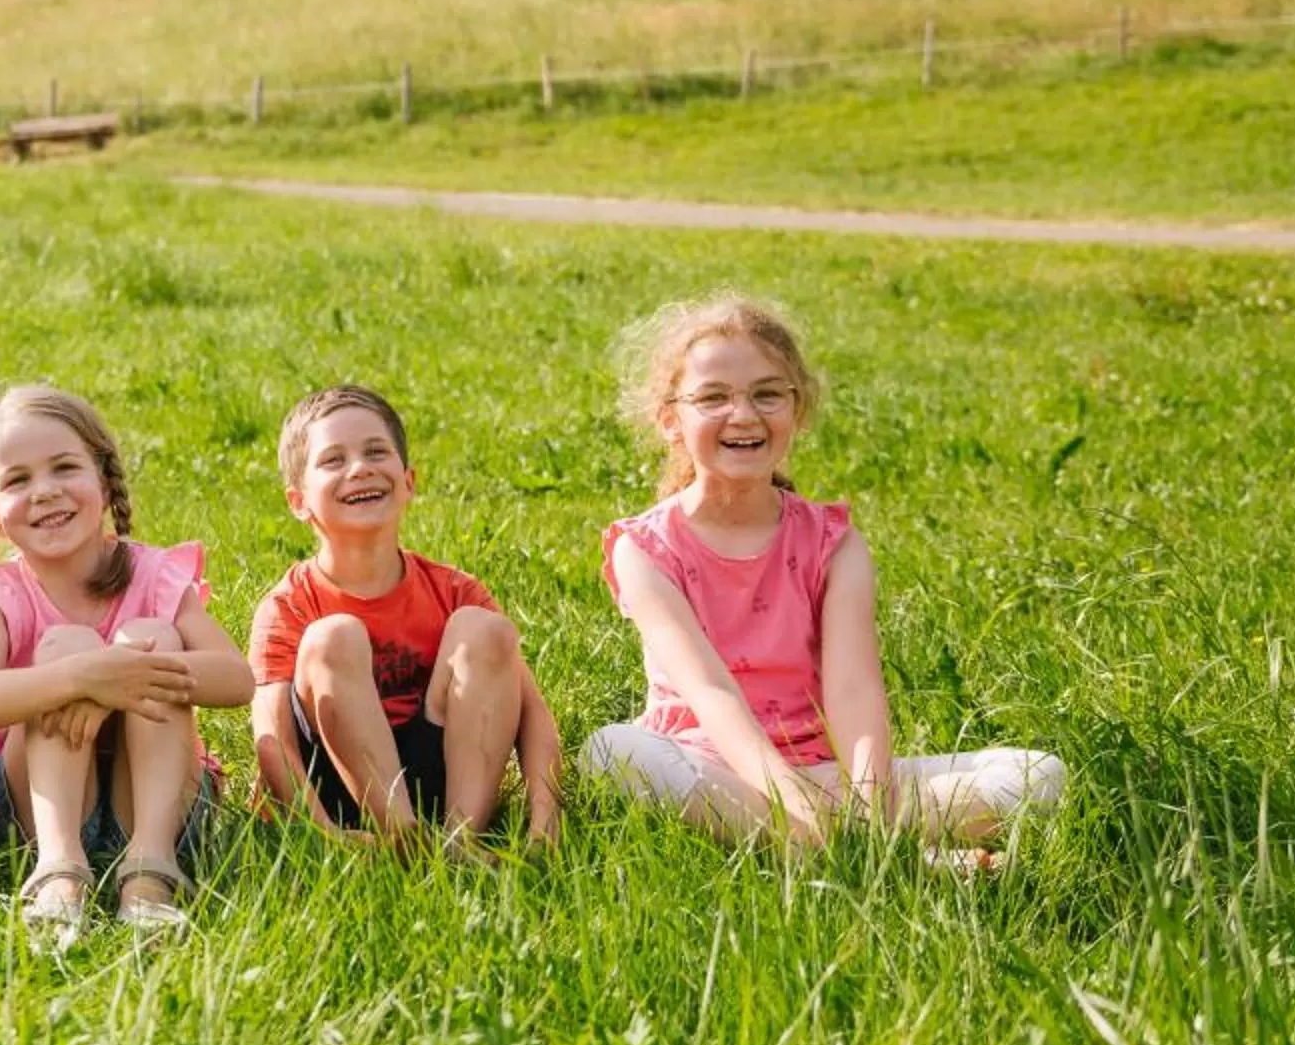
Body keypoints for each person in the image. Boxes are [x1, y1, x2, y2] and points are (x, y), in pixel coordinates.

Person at [584, 294, 1067, 859]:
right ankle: (902, 859)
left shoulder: (834, 545)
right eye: (713, 397)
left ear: (799, 409)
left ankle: (827, 844)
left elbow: (854, 689)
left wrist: (865, 802)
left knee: (1038, 776)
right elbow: (711, 693)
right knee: (611, 752)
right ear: (670, 419)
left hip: (826, 777)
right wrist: (787, 796)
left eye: (767, 394)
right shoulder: (644, 549)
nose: (743, 415)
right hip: (708, 767)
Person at [0, 386, 253, 938]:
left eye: (64, 467)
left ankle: (151, 873)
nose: (45, 492)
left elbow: (237, 680)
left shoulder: (154, 576)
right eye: (18, 480)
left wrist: (130, 672)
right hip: (32, 814)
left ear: (104, 480)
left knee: (151, 637)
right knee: (68, 646)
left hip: (157, 804)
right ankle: (59, 872)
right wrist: (82, 677)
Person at [247, 385, 560, 856]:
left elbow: (531, 710)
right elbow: (271, 738)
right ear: (298, 502)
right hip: (339, 790)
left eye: (376, 451)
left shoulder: (454, 591)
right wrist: (323, 835)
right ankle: (401, 837)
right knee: (334, 636)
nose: (360, 468)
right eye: (333, 460)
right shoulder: (289, 604)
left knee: (486, 630)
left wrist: (545, 818)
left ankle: (460, 842)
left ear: (409, 480)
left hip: (441, 774)